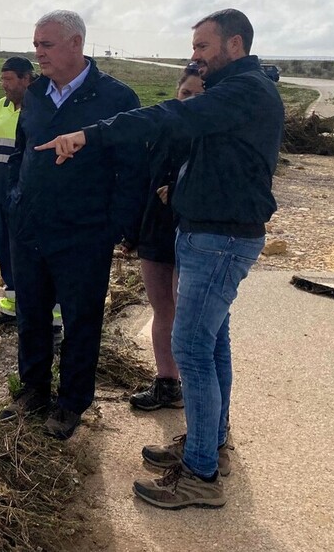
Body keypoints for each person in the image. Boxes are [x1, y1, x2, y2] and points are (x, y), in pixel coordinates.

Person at [35, 9, 284, 508]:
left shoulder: (246, 91)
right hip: (210, 234)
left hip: (220, 238)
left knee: (191, 348)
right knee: (211, 347)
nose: (194, 56)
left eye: (203, 47)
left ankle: (201, 476)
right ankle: (205, 444)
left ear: (234, 45)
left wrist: (89, 133)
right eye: (193, 47)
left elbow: (170, 116)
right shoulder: (238, 90)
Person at [5, 10, 147, 440]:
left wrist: (116, 226)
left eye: (45, 45)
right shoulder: (36, 94)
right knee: (30, 313)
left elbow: (133, 170)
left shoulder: (116, 98)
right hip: (30, 226)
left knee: (81, 319)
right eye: (35, 44)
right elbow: (24, 149)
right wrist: (16, 198)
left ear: (75, 44)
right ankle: (32, 391)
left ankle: (71, 403)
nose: (37, 53)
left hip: (85, 233)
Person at [129, 64, 204, 411]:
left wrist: (178, 192)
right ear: (176, 94)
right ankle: (167, 383)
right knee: (162, 311)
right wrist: (132, 232)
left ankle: (201, 397)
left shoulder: (213, 136)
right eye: (185, 93)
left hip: (194, 233)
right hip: (156, 231)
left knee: (191, 320)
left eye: (198, 96)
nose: (189, 101)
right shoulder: (160, 129)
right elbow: (144, 182)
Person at [0, 57, 35, 324]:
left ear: (26, 79)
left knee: (25, 250)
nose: (3, 85)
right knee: (3, 247)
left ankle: (41, 310)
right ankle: (13, 305)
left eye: (9, 79)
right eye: (2, 79)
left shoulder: (38, 107)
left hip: (23, 195)